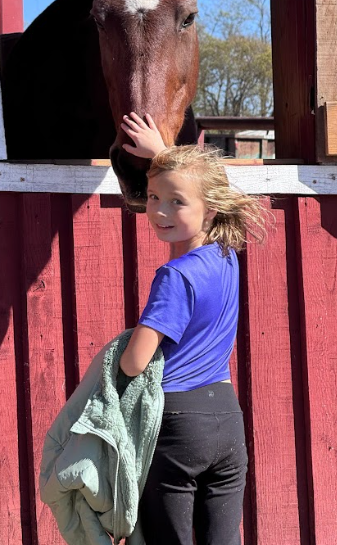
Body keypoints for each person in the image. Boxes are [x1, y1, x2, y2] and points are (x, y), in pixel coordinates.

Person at [118, 112, 267, 545]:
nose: (160, 211)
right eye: (152, 198)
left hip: (178, 423)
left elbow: (134, 362)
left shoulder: (175, 276)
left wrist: (124, 347)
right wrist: (162, 156)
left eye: (175, 202)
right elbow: (202, 187)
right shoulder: (226, 257)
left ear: (210, 208)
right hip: (226, 418)